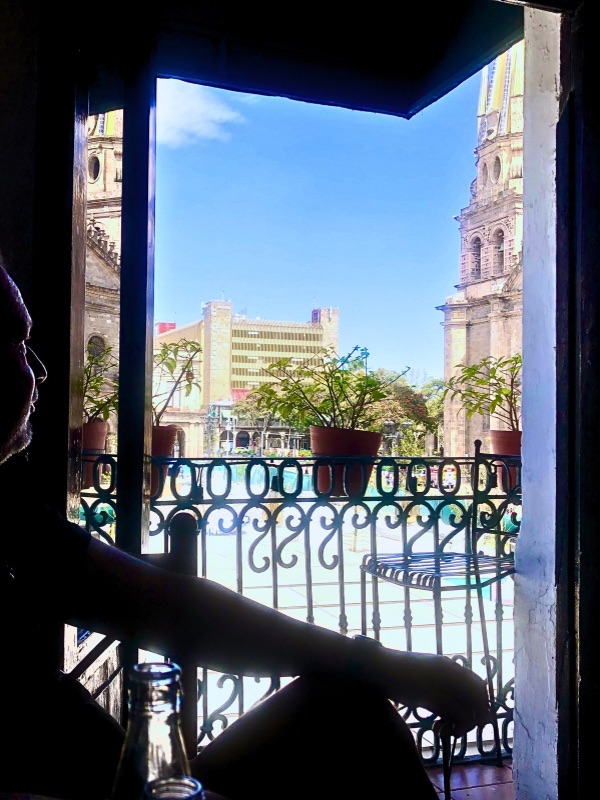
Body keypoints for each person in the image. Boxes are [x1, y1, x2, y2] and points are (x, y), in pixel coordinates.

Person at [0, 257, 491, 800]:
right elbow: (160, 607)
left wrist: (379, 664)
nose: (41, 372)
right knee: (349, 713)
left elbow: (163, 604)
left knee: (345, 703)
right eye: (14, 345)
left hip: (114, 780)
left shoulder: (2, 507)